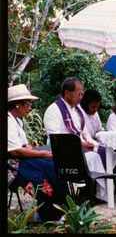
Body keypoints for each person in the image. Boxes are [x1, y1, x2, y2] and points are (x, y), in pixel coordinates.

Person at [8, 84, 69, 222]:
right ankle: (47, 215)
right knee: (41, 178)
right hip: (12, 165)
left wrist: (34, 149)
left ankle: (59, 209)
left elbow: (22, 145)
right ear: (17, 105)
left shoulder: (17, 121)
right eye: (28, 104)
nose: (30, 108)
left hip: (21, 159)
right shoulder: (7, 121)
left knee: (54, 165)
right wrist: (41, 154)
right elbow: (15, 150)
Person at [43, 77, 107, 203]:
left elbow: (85, 133)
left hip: (79, 148)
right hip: (62, 153)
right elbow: (56, 138)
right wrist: (81, 144)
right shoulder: (54, 110)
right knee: (93, 157)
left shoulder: (78, 110)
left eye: (82, 93)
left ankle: (92, 194)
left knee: (103, 151)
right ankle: (84, 197)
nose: (81, 96)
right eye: (79, 93)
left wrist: (93, 144)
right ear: (67, 93)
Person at [80, 89, 106, 168]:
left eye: (97, 107)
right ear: (86, 104)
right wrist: (98, 145)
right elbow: (86, 136)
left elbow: (99, 130)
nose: (95, 109)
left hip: (95, 142)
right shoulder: (80, 113)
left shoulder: (95, 114)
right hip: (86, 145)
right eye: (93, 107)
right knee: (103, 152)